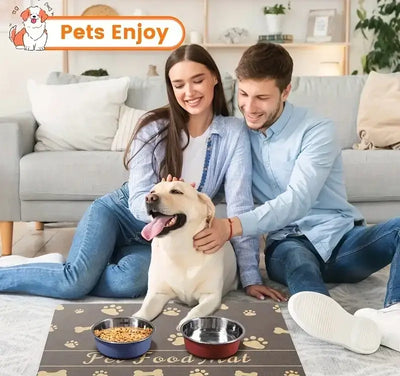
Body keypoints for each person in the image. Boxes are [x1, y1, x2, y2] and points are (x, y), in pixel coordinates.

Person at [0, 44, 285, 302]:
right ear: (171, 89)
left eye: (198, 80)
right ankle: (60, 271)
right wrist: (158, 196)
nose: (190, 92)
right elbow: (137, 197)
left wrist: (250, 277)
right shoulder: (153, 128)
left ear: (214, 78)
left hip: (162, 235)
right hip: (120, 214)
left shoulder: (233, 133)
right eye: (179, 84)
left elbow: (240, 204)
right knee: (73, 285)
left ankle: (75, 267)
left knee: (132, 282)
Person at [194, 42, 400, 354]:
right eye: (244, 94)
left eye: (262, 97)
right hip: (286, 244)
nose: (249, 107)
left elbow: (298, 201)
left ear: (286, 91)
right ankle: (330, 319)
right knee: (298, 261)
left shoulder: (317, 130)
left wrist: (231, 226)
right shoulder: (237, 134)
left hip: (341, 241)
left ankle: (392, 318)